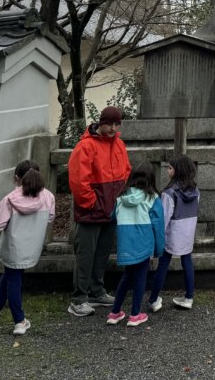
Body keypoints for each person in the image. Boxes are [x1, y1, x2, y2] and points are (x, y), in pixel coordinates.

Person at [0, 160, 56, 336]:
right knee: (8, 279)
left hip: (13, 247)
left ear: (17, 178)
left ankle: (19, 321)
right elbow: (50, 217)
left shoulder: (10, 199)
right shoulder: (48, 196)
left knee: (13, 281)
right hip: (32, 247)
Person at [66, 105, 131, 317]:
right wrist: (91, 203)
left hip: (110, 209)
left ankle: (96, 291)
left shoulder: (119, 144)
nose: (113, 128)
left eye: (116, 124)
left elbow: (126, 172)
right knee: (85, 255)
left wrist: (119, 199)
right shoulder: (85, 146)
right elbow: (78, 180)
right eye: (109, 124)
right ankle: (79, 298)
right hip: (92, 211)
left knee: (102, 253)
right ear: (101, 123)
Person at [106, 161, 164, 327]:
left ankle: (115, 312)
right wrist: (159, 249)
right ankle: (135, 314)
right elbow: (158, 225)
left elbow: (113, 216)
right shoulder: (152, 198)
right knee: (140, 279)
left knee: (127, 277)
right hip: (143, 244)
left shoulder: (121, 197)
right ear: (151, 179)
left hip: (126, 245)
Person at [147, 155, 199, 312]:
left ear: (178, 171)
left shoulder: (169, 193)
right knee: (187, 262)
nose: (167, 170)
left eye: (170, 168)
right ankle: (189, 298)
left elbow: (163, 218)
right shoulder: (195, 190)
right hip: (188, 233)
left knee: (163, 265)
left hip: (172, 234)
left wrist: (157, 238)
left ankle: (154, 299)